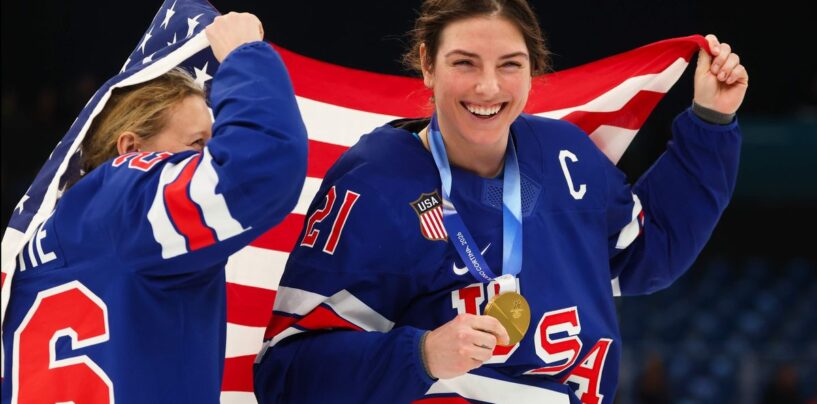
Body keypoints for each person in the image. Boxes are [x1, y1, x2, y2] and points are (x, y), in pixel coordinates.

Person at [253, 0, 747, 402]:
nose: (488, 87)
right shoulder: (375, 183)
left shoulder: (563, 157)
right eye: (464, 63)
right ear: (427, 65)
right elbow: (286, 376)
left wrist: (711, 120)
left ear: (534, 71)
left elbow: (648, 254)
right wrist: (421, 355)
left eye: (510, 65)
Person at [1, 12, 307, 403]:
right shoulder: (126, 192)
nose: (208, 158)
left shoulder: (38, 244)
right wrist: (245, 55)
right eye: (197, 144)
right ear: (131, 149)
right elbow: (264, 165)